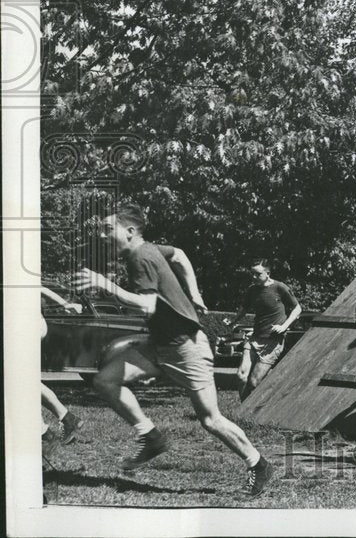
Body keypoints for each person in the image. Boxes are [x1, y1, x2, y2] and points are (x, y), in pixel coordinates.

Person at [73, 203, 273, 496]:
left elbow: (146, 304)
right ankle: (151, 437)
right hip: (159, 344)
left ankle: (258, 464)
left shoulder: (140, 257)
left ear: (129, 232)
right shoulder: (149, 248)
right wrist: (194, 292)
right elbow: (179, 254)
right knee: (105, 380)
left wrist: (106, 285)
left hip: (186, 348)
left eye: (107, 229)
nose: (102, 235)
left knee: (211, 420)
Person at [223, 261, 302, 402]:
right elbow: (244, 308)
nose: (254, 277)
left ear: (268, 273)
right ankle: (243, 411)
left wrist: (284, 327)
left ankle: (253, 413)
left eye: (258, 274)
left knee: (254, 382)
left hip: (272, 342)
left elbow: (297, 309)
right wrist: (233, 321)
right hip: (254, 339)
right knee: (241, 376)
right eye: (252, 274)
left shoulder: (280, 287)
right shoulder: (252, 290)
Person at [40, 286, 85, 455]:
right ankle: (68, 419)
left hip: (25, 324)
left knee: (18, 382)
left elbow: (38, 287)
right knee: (24, 381)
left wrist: (65, 304)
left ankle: (44, 434)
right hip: (24, 324)